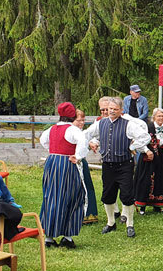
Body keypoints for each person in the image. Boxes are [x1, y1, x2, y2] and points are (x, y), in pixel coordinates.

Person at [86, 97, 150, 237]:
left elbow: (145, 137)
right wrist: (91, 142)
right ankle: (111, 223)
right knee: (108, 195)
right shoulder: (100, 123)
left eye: (115, 109)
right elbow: (86, 134)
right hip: (108, 165)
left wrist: (133, 146)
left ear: (121, 110)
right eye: (110, 109)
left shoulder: (128, 124)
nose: (112, 111)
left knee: (127, 195)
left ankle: (130, 224)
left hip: (124, 165)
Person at [38, 102, 89, 249]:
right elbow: (83, 141)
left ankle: (49, 237)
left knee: (51, 196)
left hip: (52, 162)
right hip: (66, 163)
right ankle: (67, 237)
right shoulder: (73, 130)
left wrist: (54, 151)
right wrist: (77, 156)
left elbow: (43, 141)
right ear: (72, 116)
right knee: (72, 196)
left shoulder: (51, 129)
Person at [134, 108, 163, 214]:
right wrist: (146, 151)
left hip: (162, 158)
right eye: (158, 116)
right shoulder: (148, 127)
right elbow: (139, 141)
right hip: (149, 158)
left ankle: (157, 205)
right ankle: (142, 207)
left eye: (162, 116)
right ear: (154, 117)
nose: (161, 118)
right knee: (147, 180)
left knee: (161, 180)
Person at [73, 109, 98, 224]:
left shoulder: (81, 132)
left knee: (87, 187)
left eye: (83, 120)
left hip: (81, 162)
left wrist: (90, 144)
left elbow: (85, 140)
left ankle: (88, 214)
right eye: (79, 120)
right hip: (71, 162)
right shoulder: (70, 131)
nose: (82, 123)